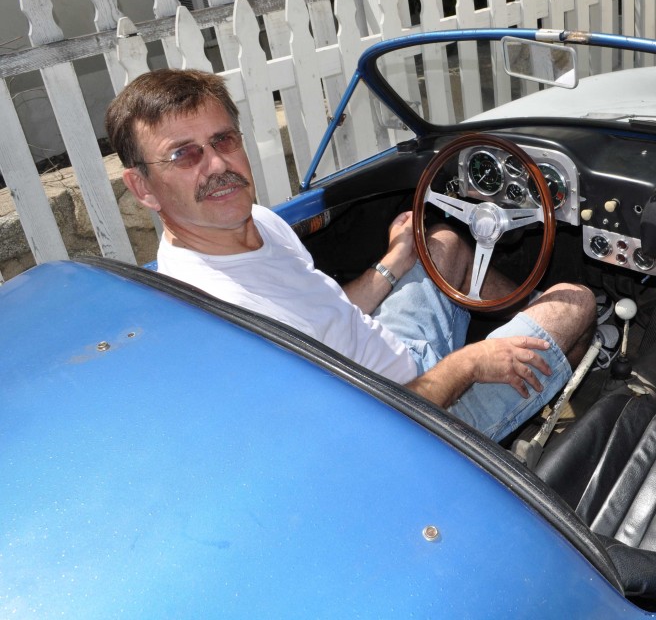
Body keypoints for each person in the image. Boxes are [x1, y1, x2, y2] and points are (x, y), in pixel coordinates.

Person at [106, 68, 596, 441]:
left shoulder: (258, 221)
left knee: (442, 242)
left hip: (398, 355)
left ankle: (536, 372)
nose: (216, 165)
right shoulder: (222, 317)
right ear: (141, 187)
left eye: (222, 140)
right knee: (575, 303)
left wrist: (395, 260)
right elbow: (364, 430)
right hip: (418, 424)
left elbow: (325, 313)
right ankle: (525, 441)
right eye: (184, 154)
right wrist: (471, 363)